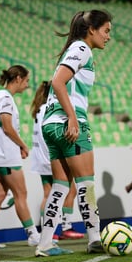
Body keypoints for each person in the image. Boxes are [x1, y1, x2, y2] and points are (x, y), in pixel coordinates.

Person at [35, 9, 112, 257]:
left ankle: (45, 243)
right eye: (106, 30)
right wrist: (72, 118)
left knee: (60, 186)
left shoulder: (76, 49)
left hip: (50, 124)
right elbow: (57, 82)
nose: (108, 36)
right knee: (86, 183)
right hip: (67, 121)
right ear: (92, 29)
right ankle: (94, 239)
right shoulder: (82, 49)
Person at [0, 65, 40, 250]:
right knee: (21, 194)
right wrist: (22, 144)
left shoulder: (1, 96)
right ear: (18, 78)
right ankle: (33, 235)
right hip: (6, 156)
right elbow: (7, 127)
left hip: (1, 155)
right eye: (26, 81)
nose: (27, 85)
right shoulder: (5, 98)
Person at [30, 81, 84, 242]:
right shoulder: (49, 110)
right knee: (71, 190)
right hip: (50, 156)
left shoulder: (38, 110)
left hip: (40, 158)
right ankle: (66, 227)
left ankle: (48, 232)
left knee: (48, 194)